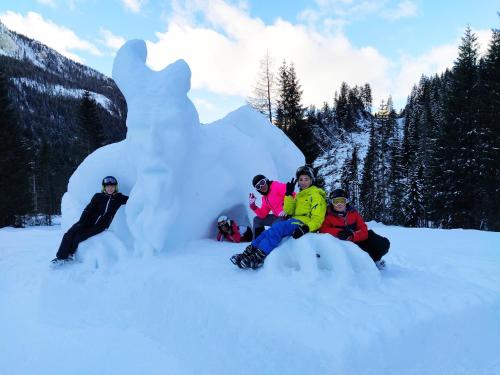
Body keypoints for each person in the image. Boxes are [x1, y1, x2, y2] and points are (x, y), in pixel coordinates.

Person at [231, 166, 327, 269]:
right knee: (267, 232)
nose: (303, 182)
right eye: (300, 180)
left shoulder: (316, 195)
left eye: (306, 179)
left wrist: (306, 228)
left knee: (277, 228)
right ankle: (249, 251)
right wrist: (288, 195)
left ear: (312, 180)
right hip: (293, 219)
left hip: (302, 222)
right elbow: (290, 210)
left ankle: (259, 256)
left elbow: (318, 218)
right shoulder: (300, 196)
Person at [51, 176, 128, 264]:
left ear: (115, 187)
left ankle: (69, 255)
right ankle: (61, 257)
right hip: (87, 221)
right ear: (104, 187)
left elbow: (133, 199)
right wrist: (82, 222)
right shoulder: (98, 196)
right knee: (69, 234)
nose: (110, 188)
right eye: (107, 186)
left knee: (79, 237)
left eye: (112, 186)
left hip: (100, 226)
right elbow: (88, 209)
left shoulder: (119, 198)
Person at [319, 188, 390, 270]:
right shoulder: (328, 216)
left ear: (347, 202)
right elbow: (323, 229)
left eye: (342, 201)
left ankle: (375, 260)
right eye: (336, 201)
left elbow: (363, 229)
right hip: (343, 245)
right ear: (332, 203)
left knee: (383, 243)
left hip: (357, 240)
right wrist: (339, 232)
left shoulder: (353, 213)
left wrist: (353, 235)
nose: (339, 204)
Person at [249, 174, 289, 239]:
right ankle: (256, 241)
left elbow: (292, 194)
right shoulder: (265, 198)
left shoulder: (277, 186)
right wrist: (253, 206)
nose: (262, 187)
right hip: (277, 217)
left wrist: (287, 209)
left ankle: (263, 243)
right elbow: (263, 214)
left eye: (262, 182)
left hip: (286, 216)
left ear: (266, 180)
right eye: (258, 186)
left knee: (274, 226)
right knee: (257, 220)